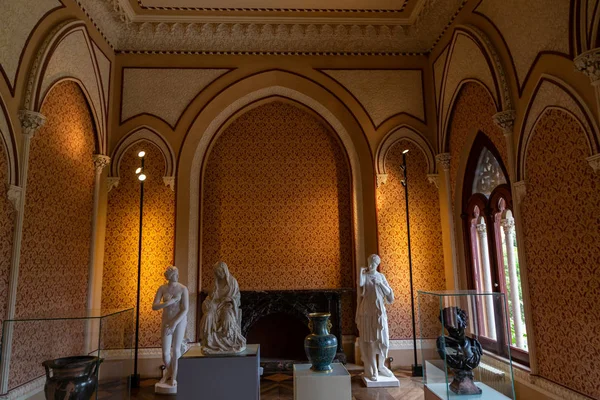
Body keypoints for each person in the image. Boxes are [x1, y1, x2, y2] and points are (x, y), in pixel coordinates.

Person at [356, 254, 394, 381]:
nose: (370, 265)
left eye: (373, 263)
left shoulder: (381, 276)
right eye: (369, 262)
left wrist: (381, 284)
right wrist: (361, 272)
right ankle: (373, 370)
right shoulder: (365, 276)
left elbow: (389, 294)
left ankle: (381, 365)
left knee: (384, 341)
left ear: (377, 265)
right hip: (367, 311)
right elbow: (360, 284)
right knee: (370, 342)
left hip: (379, 311)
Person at [152, 265, 189, 389]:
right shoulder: (162, 288)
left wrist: (174, 323)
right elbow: (155, 306)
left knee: (175, 350)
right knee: (165, 353)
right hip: (166, 321)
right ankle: (171, 372)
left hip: (179, 321)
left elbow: (185, 309)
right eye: (174, 273)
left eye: (177, 273)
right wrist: (169, 302)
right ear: (169, 276)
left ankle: (173, 377)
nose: (177, 276)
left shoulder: (183, 289)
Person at [200, 261, 246, 354]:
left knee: (227, 316)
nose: (218, 274)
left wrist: (230, 299)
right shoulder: (215, 283)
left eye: (220, 272)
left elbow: (237, 297)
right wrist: (207, 302)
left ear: (225, 271)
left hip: (227, 306)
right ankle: (209, 341)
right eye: (216, 272)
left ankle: (228, 341)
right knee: (207, 316)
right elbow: (210, 297)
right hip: (215, 305)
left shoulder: (232, 282)